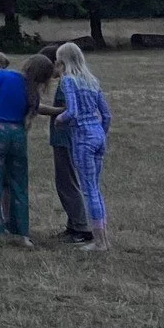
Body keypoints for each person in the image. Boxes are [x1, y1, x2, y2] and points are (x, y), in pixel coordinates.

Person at [0, 54, 52, 248]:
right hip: (18, 133)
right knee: (19, 183)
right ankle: (22, 233)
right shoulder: (33, 90)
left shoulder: (4, 75)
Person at [55, 42, 112, 252]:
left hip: (83, 137)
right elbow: (107, 115)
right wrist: (101, 133)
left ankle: (99, 242)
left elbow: (72, 112)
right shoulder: (92, 81)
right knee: (95, 189)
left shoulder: (69, 81)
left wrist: (59, 119)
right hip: (98, 135)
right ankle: (103, 238)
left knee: (89, 190)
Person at [41, 47, 93, 244]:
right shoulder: (78, 79)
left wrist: (41, 109)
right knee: (66, 181)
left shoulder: (66, 83)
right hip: (69, 138)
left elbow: (68, 109)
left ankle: (81, 228)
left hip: (65, 139)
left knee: (67, 182)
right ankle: (73, 225)